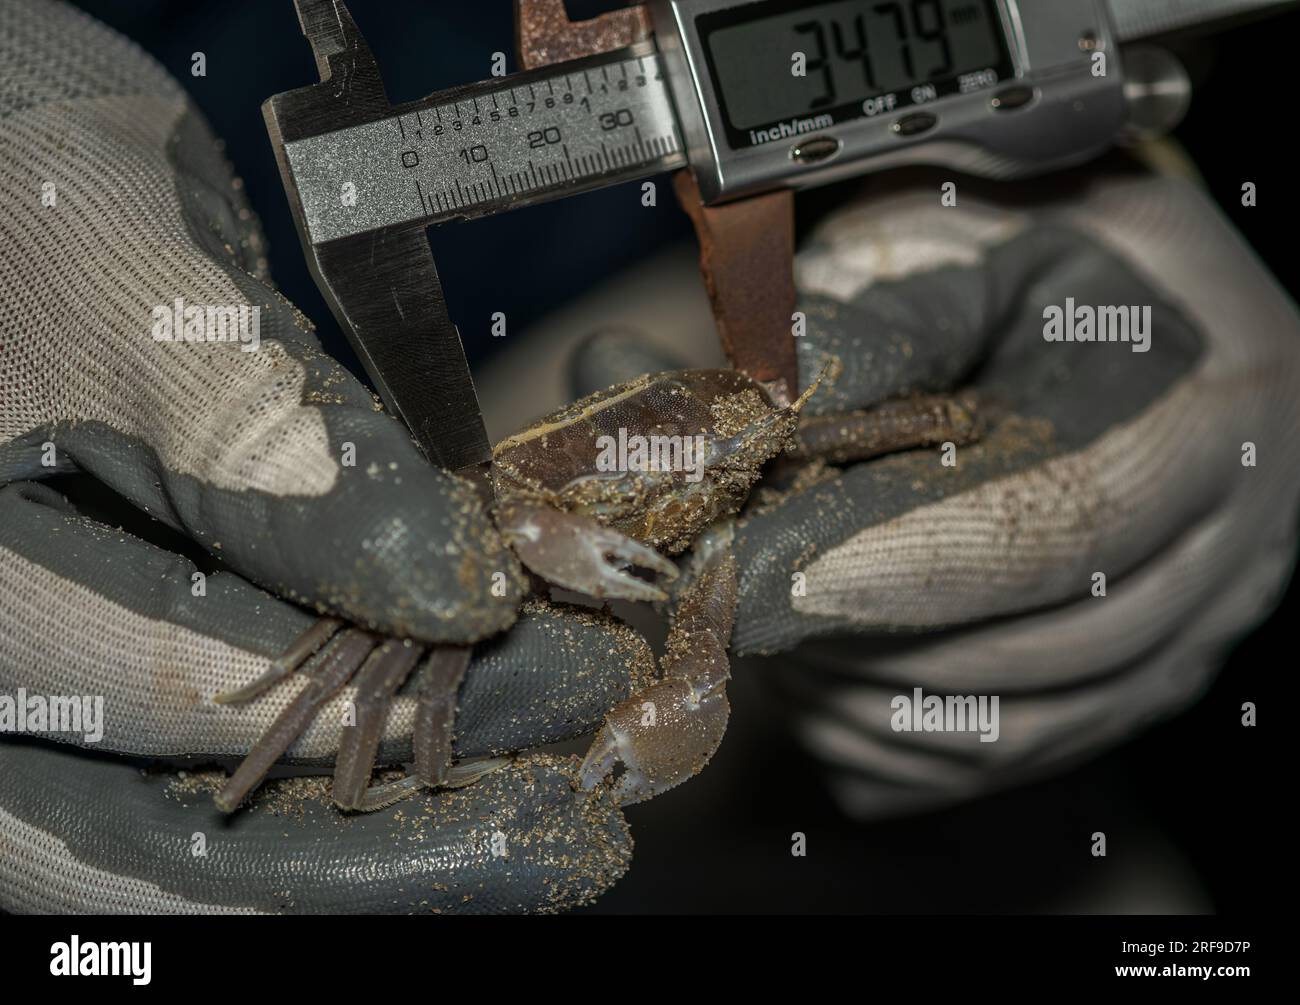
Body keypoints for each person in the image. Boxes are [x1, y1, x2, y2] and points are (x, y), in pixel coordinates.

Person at [2, 0, 1296, 912]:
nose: (678, 491)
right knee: (344, 677)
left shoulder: (737, 435)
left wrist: (1103, 161)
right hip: (378, 414)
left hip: (683, 281)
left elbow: (883, 417)